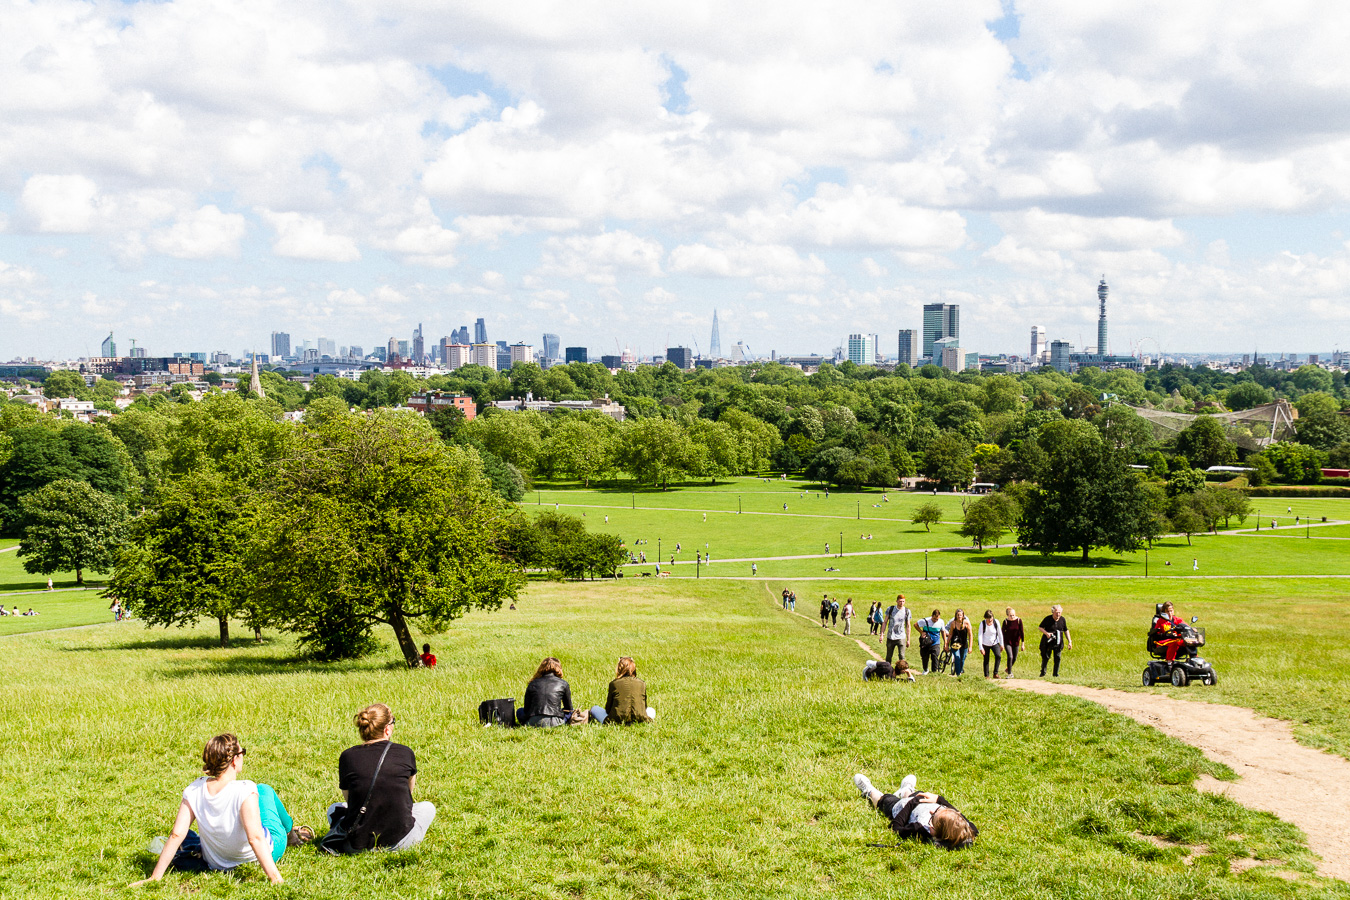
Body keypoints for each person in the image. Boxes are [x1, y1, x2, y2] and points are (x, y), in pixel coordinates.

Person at [132, 734, 309, 886]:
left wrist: (155, 877)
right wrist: (275, 878)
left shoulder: (193, 790)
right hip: (258, 856)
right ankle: (290, 833)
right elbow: (255, 838)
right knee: (265, 790)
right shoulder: (246, 789)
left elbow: (176, 835)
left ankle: (290, 831)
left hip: (216, 862)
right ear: (234, 760)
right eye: (242, 753)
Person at [327, 703, 435, 852]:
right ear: (387, 729)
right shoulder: (405, 752)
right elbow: (408, 795)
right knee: (427, 807)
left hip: (357, 844)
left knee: (333, 808)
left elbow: (349, 800)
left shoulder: (347, 756)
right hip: (400, 841)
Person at [852, 773, 978, 850]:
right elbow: (959, 817)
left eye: (932, 817)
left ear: (933, 831)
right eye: (937, 811)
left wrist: (912, 802)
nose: (931, 813)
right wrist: (939, 800)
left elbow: (896, 826)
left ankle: (869, 791)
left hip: (903, 808)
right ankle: (907, 790)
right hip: (924, 802)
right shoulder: (968, 830)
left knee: (884, 800)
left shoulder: (920, 829)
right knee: (916, 794)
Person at [588, 657, 655, 724]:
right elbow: (644, 706)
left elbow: (608, 709)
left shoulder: (614, 684)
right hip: (640, 719)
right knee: (652, 710)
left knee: (595, 708)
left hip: (616, 720)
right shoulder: (642, 683)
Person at [519, 657, 575, 727]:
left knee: (519, 711)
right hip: (555, 722)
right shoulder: (563, 684)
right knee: (570, 712)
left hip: (533, 722)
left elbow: (526, 709)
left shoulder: (532, 683)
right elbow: (569, 709)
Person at [1039, 605, 1072, 677]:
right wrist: (1046, 633)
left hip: (1058, 641)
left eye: (1059, 612)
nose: (1058, 614)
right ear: (1053, 612)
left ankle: (1055, 674)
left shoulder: (1062, 619)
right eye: (1056, 612)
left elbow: (1066, 630)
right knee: (1046, 657)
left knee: (1057, 657)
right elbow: (1040, 627)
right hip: (1048, 641)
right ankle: (1043, 673)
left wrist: (1069, 641)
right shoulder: (1047, 619)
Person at [945, 610, 973, 677]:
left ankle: (960, 670)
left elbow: (970, 635)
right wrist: (947, 643)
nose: (959, 616)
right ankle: (958, 674)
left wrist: (970, 646)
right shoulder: (953, 623)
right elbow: (951, 634)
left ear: (963, 616)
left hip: (964, 643)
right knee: (957, 657)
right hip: (955, 643)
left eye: (960, 615)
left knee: (962, 658)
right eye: (958, 615)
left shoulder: (966, 623)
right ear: (956, 616)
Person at [884, 595, 912, 664]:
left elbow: (908, 625)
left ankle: (901, 670)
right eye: (900, 601)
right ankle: (888, 670)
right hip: (891, 636)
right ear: (896, 601)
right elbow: (885, 622)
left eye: (903, 601)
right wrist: (882, 634)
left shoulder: (907, 611)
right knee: (889, 656)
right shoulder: (890, 609)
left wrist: (908, 640)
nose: (901, 603)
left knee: (902, 656)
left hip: (901, 636)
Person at [978, 610, 1003, 679]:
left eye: (991, 618)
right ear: (985, 618)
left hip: (994, 642)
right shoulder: (982, 624)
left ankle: (995, 673)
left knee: (998, 656)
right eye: (988, 619)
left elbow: (1000, 633)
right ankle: (986, 675)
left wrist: (1001, 644)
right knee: (986, 659)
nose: (990, 620)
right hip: (985, 643)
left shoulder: (996, 622)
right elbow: (980, 635)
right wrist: (981, 648)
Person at [1002, 608, 1024, 678]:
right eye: (1011, 615)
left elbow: (1022, 632)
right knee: (1010, 656)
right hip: (1007, 641)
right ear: (1007, 615)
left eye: (1013, 615)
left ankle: (1008, 668)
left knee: (1014, 658)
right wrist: (1001, 644)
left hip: (1016, 642)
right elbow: (1002, 633)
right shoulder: (1005, 622)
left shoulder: (1018, 621)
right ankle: (1009, 673)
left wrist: (1023, 643)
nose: (1012, 617)